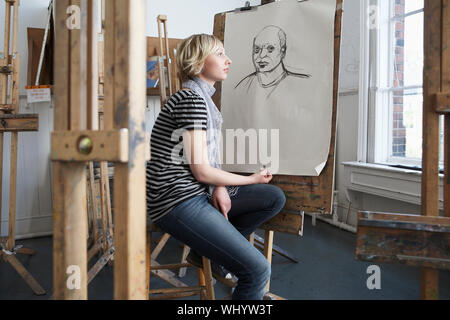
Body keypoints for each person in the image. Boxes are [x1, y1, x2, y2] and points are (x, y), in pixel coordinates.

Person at [146, 34, 286, 300]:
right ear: (198, 62)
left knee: (272, 197)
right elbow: (201, 170)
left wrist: (220, 186)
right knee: (257, 271)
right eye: (220, 54)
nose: (228, 60)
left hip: (194, 192)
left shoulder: (202, 99)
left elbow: (205, 159)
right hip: (177, 201)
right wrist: (251, 179)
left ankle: (206, 253)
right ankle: (220, 254)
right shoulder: (191, 100)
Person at [235, 25, 311, 98]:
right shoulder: (243, 85)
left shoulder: (302, 84)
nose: (261, 55)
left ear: (283, 51)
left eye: (270, 48)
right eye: (257, 49)